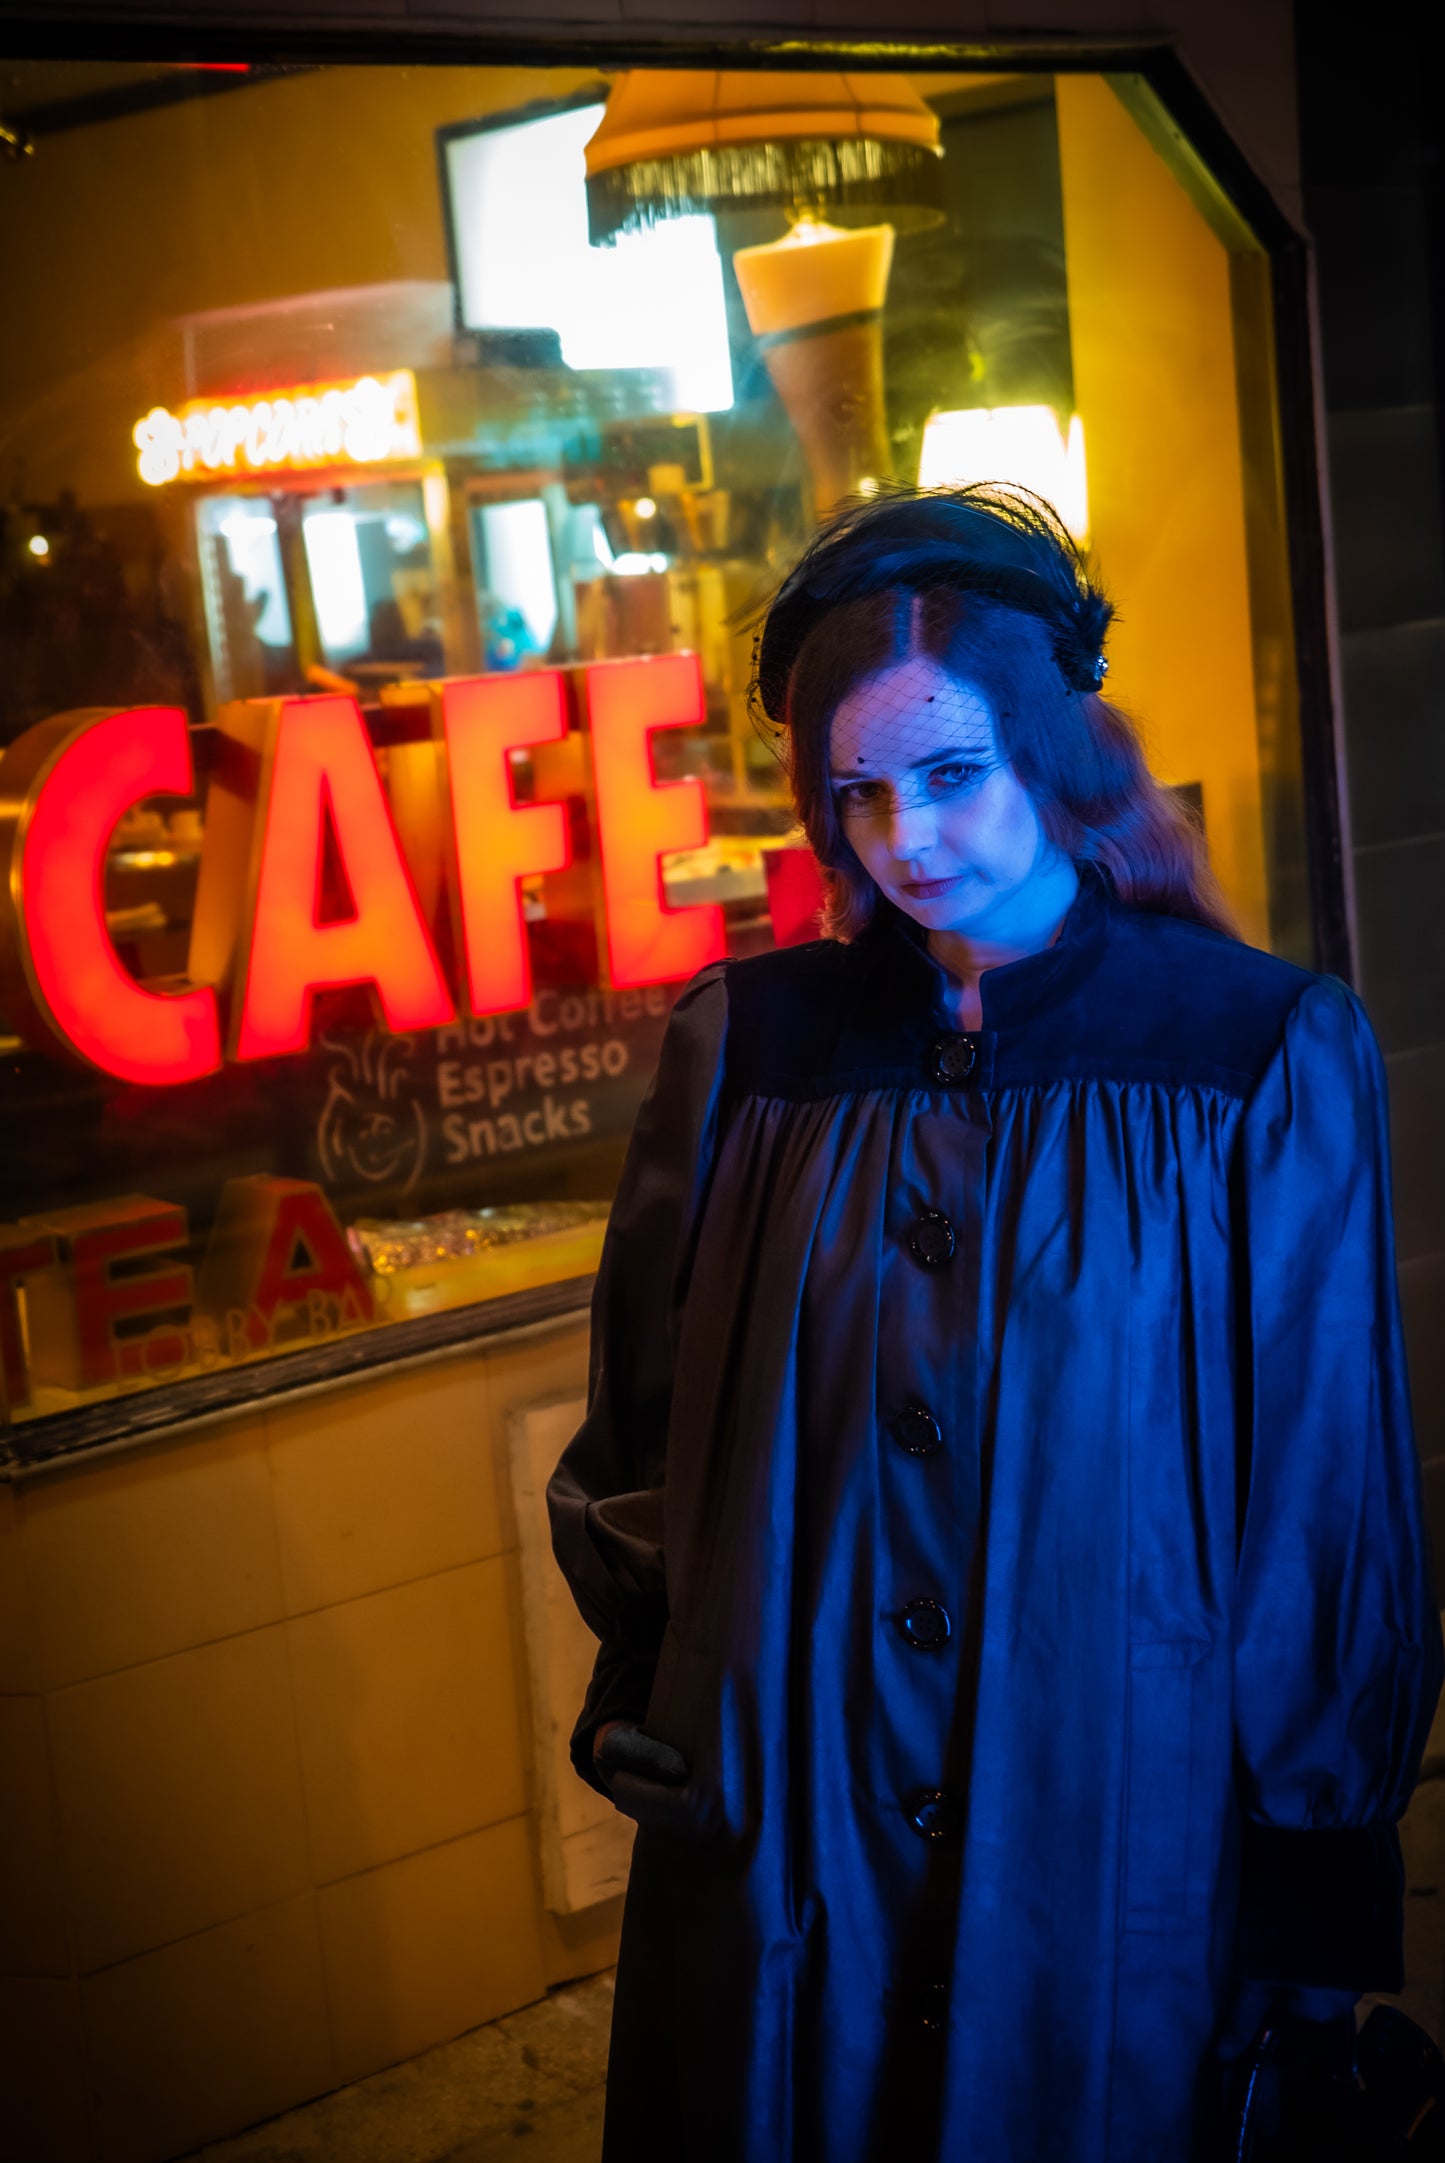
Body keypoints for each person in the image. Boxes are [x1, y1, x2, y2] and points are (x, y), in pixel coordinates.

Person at [547, 484, 1442, 2162]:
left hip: (1117, 1800)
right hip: (788, 1806)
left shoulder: (1254, 1051)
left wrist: (1318, 1893)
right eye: (857, 793)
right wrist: (654, 1701)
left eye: (952, 774)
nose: (907, 839)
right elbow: (644, 1430)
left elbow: (1320, 1498)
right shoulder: (749, 1047)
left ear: (1057, 758)